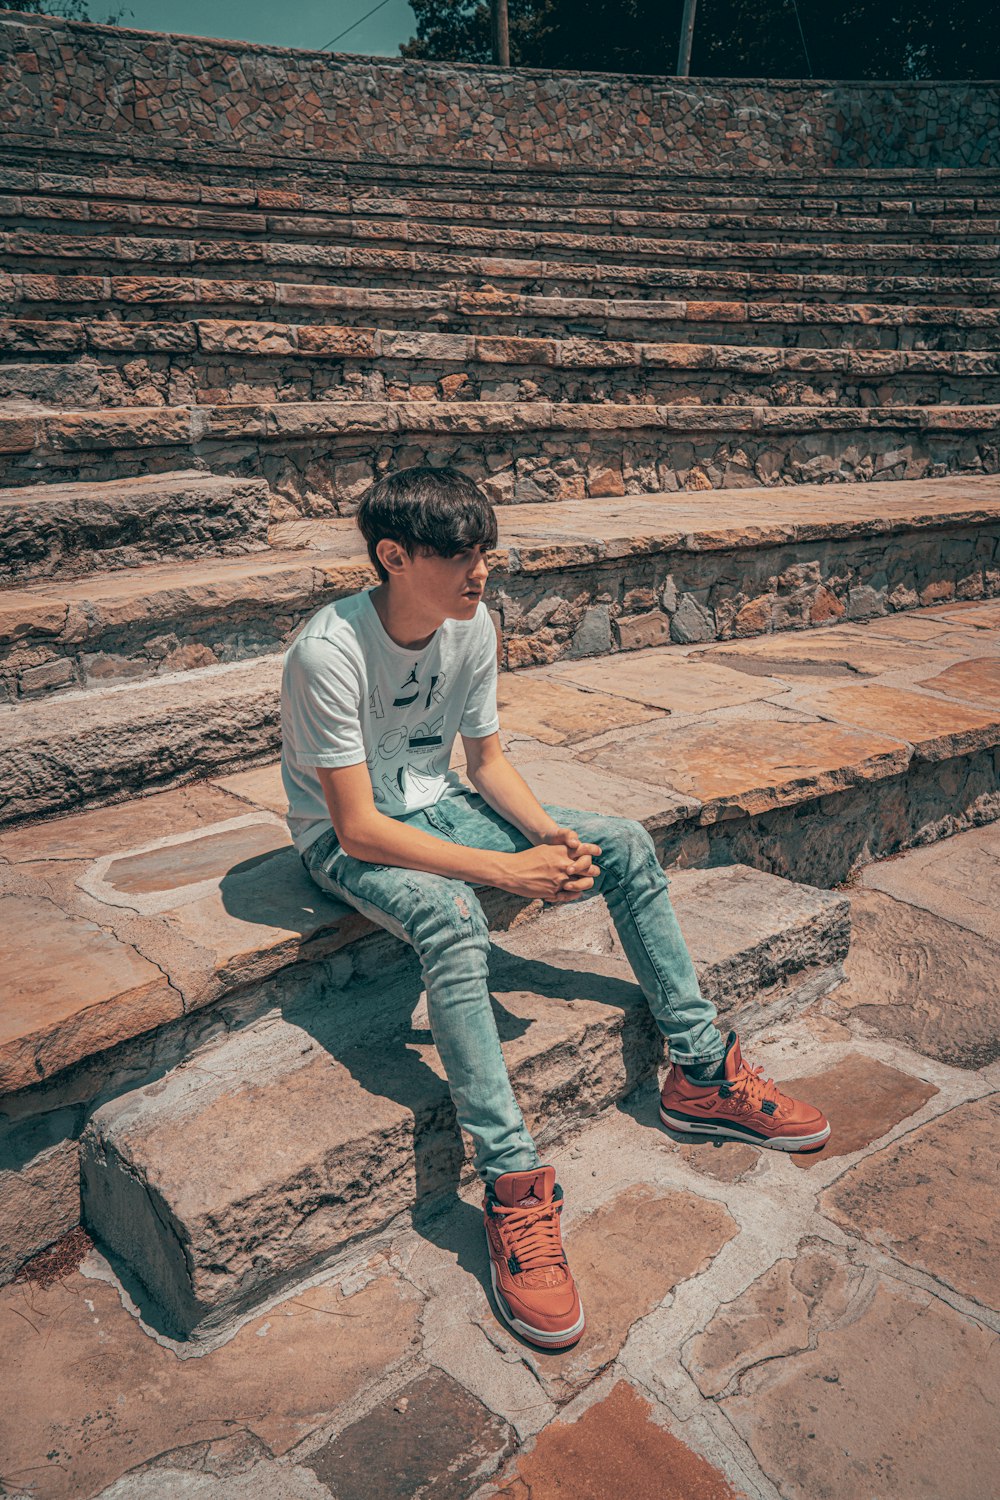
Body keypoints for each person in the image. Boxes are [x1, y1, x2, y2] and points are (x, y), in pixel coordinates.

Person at [281, 465, 830, 1352]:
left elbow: (487, 765)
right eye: (459, 556)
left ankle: (700, 1069)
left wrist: (551, 844)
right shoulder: (328, 652)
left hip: (438, 801)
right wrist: (507, 876)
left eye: (486, 553)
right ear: (392, 556)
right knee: (454, 919)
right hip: (348, 839)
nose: (481, 572)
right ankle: (513, 1187)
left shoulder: (471, 627)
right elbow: (358, 826)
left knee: (621, 841)